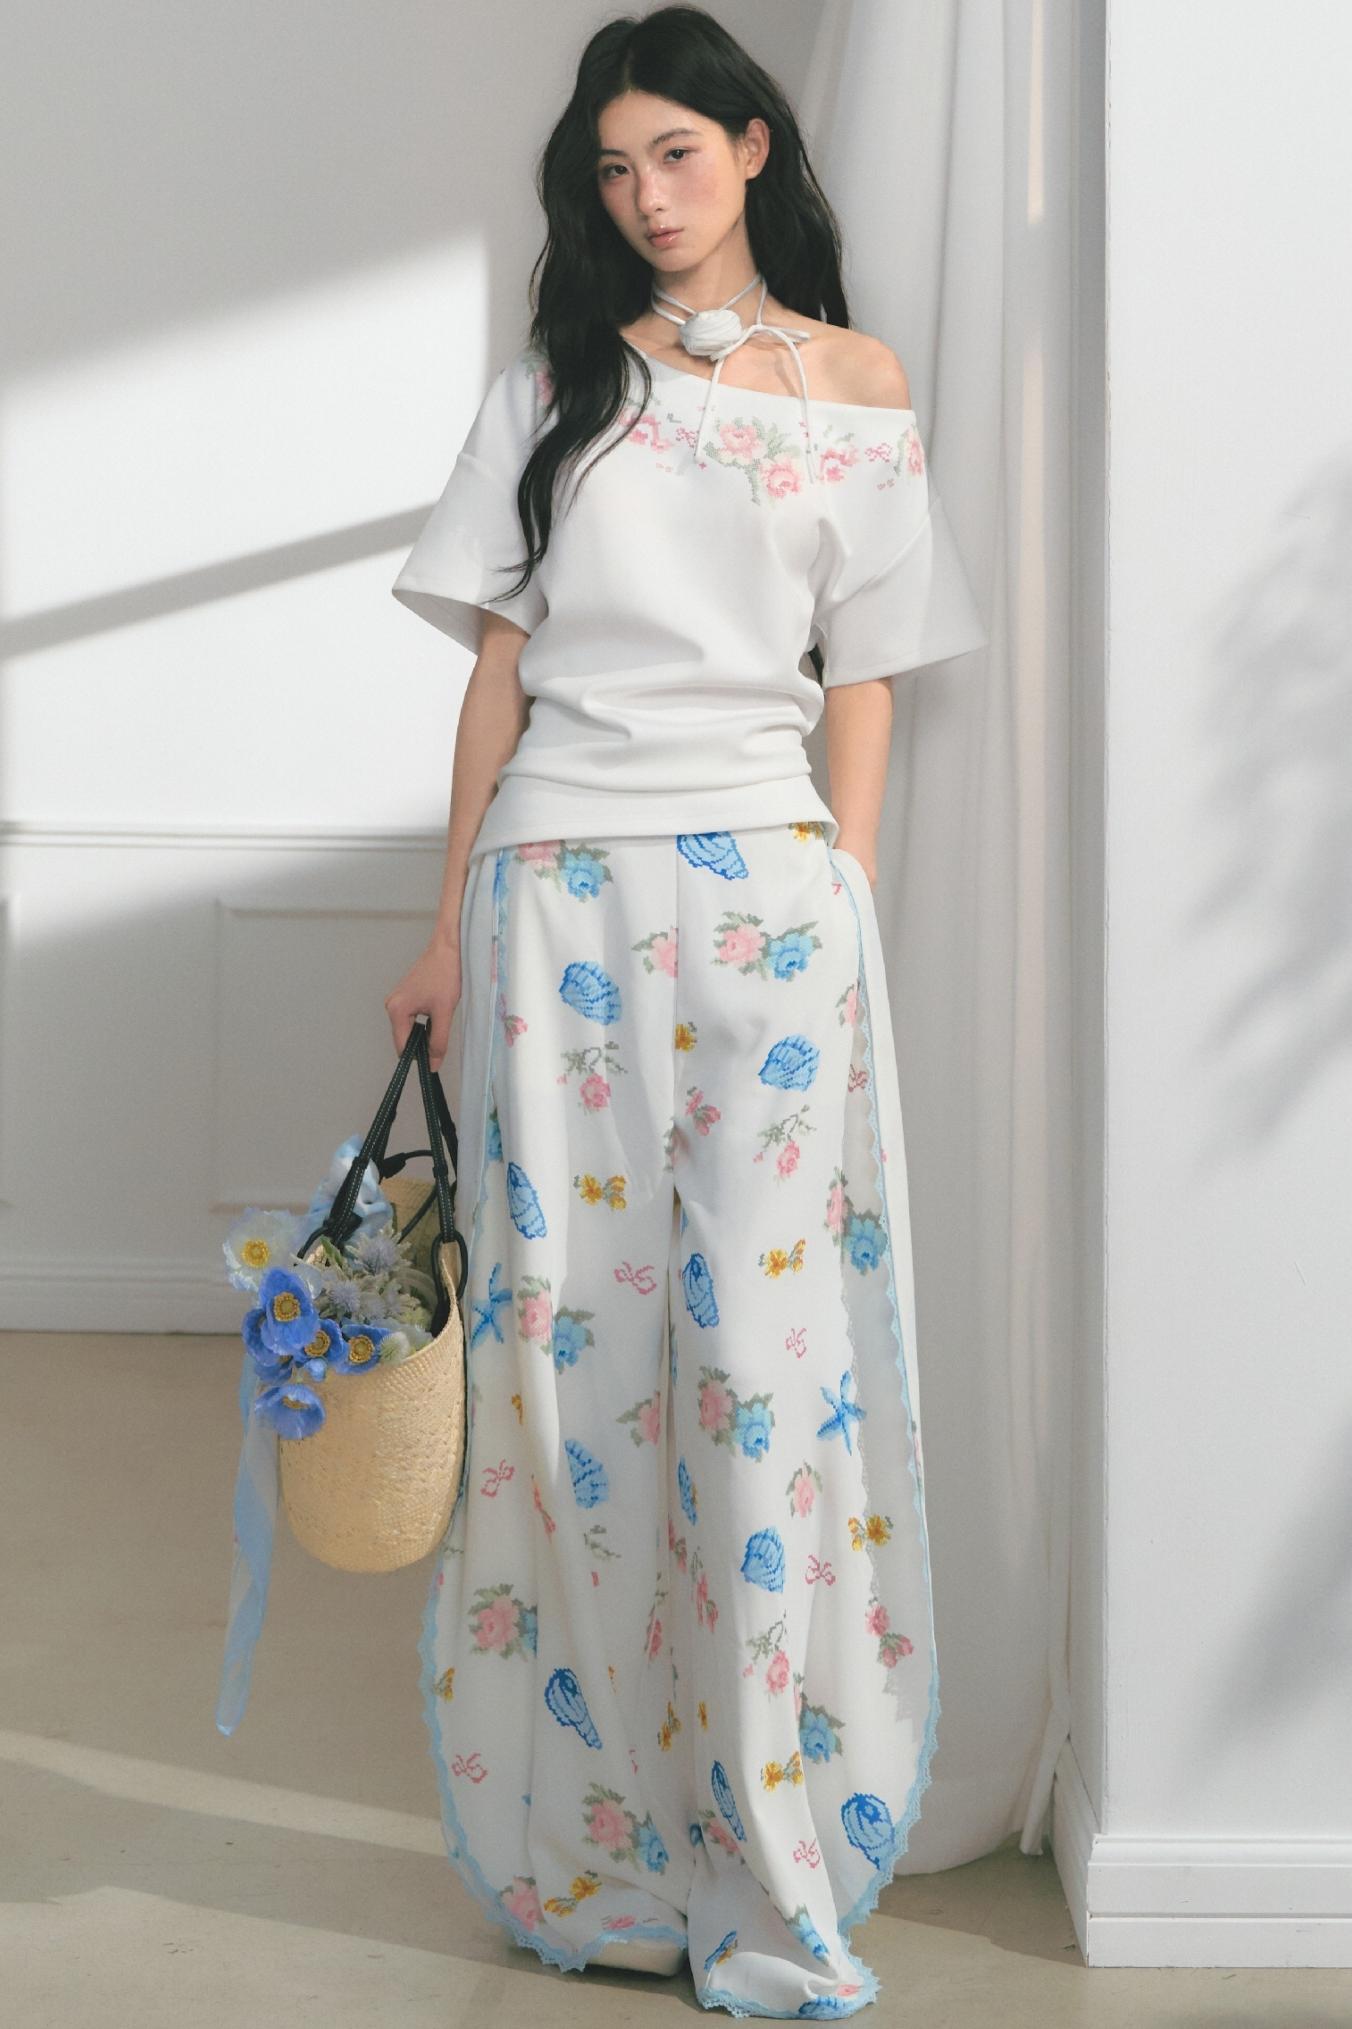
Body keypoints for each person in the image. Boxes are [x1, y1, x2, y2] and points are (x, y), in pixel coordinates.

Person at [383, 8, 986, 2017]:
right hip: (553, 883)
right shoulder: (555, 386)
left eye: (676, 154)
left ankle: (769, 1842)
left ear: (751, 148)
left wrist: (847, 886)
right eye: (613, 168)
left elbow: (867, 667)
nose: (645, 196)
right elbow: (496, 672)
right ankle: (608, 1839)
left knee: (758, 1366)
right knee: (574, 1372)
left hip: (769, 899)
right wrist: (444, 928)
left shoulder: (858, 387)